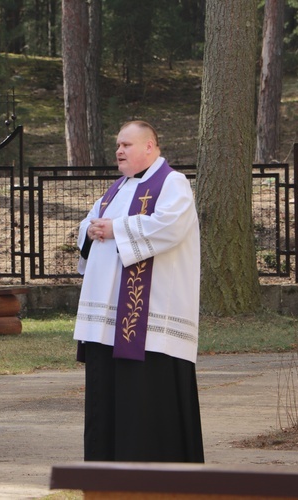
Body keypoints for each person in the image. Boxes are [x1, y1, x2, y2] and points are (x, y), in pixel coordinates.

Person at [73, 120, 205, 463]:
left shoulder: (172, 183)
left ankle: (151, 467)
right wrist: (90, 230)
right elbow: (88, 225)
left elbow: (169, 227)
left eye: (127, 145)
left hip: (148, 320)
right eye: (118, 144)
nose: (119, 150)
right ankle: (107, 468)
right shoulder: (117, 188)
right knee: (109, 397)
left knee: (144, 400)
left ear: (150, 146)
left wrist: (115, 228)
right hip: (106, 321)